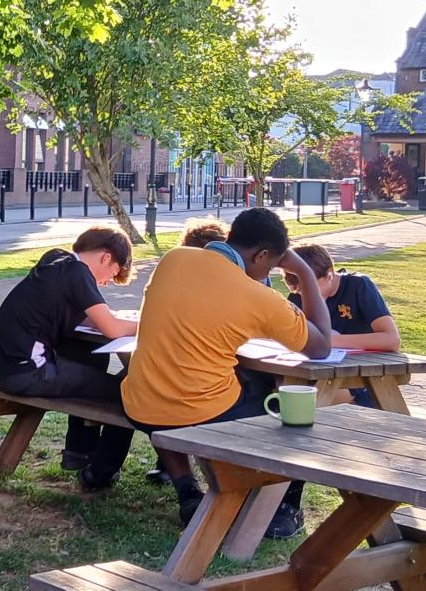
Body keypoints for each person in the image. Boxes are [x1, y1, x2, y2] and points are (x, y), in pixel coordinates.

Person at [113, 208, 331, 537]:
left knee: (179, 391)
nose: (267, 275)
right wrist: (303, 271)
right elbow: (321, 346)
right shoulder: (259, 297)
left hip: (141, 404)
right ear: (262, 255)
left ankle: (187, 490)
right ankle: (282, 509)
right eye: (270, 267)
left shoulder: (174, 259)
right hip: (199, 410)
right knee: (287, 411)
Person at [0, 226, 138, 491]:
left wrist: (113, 320)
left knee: (95, 360)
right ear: (105, 257)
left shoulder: (56, 261)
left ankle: (79, 451)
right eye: (111, 276)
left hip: (5, 366)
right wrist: (153, 323)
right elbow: (111, 329)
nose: (104, 283)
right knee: (130, 390)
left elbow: (93, 319)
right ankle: (102, 471)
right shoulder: (78, 273)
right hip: (29, 373)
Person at [284, 244, 400, 405]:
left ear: (329, 275)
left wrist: (325, 341)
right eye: (298, 291)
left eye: (308, 288)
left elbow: (392, 340)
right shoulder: (298, 295)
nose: (303, 295)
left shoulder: (359, 286)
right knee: (280, 387)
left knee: (306, 398)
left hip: (360, 376)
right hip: (315, 370)